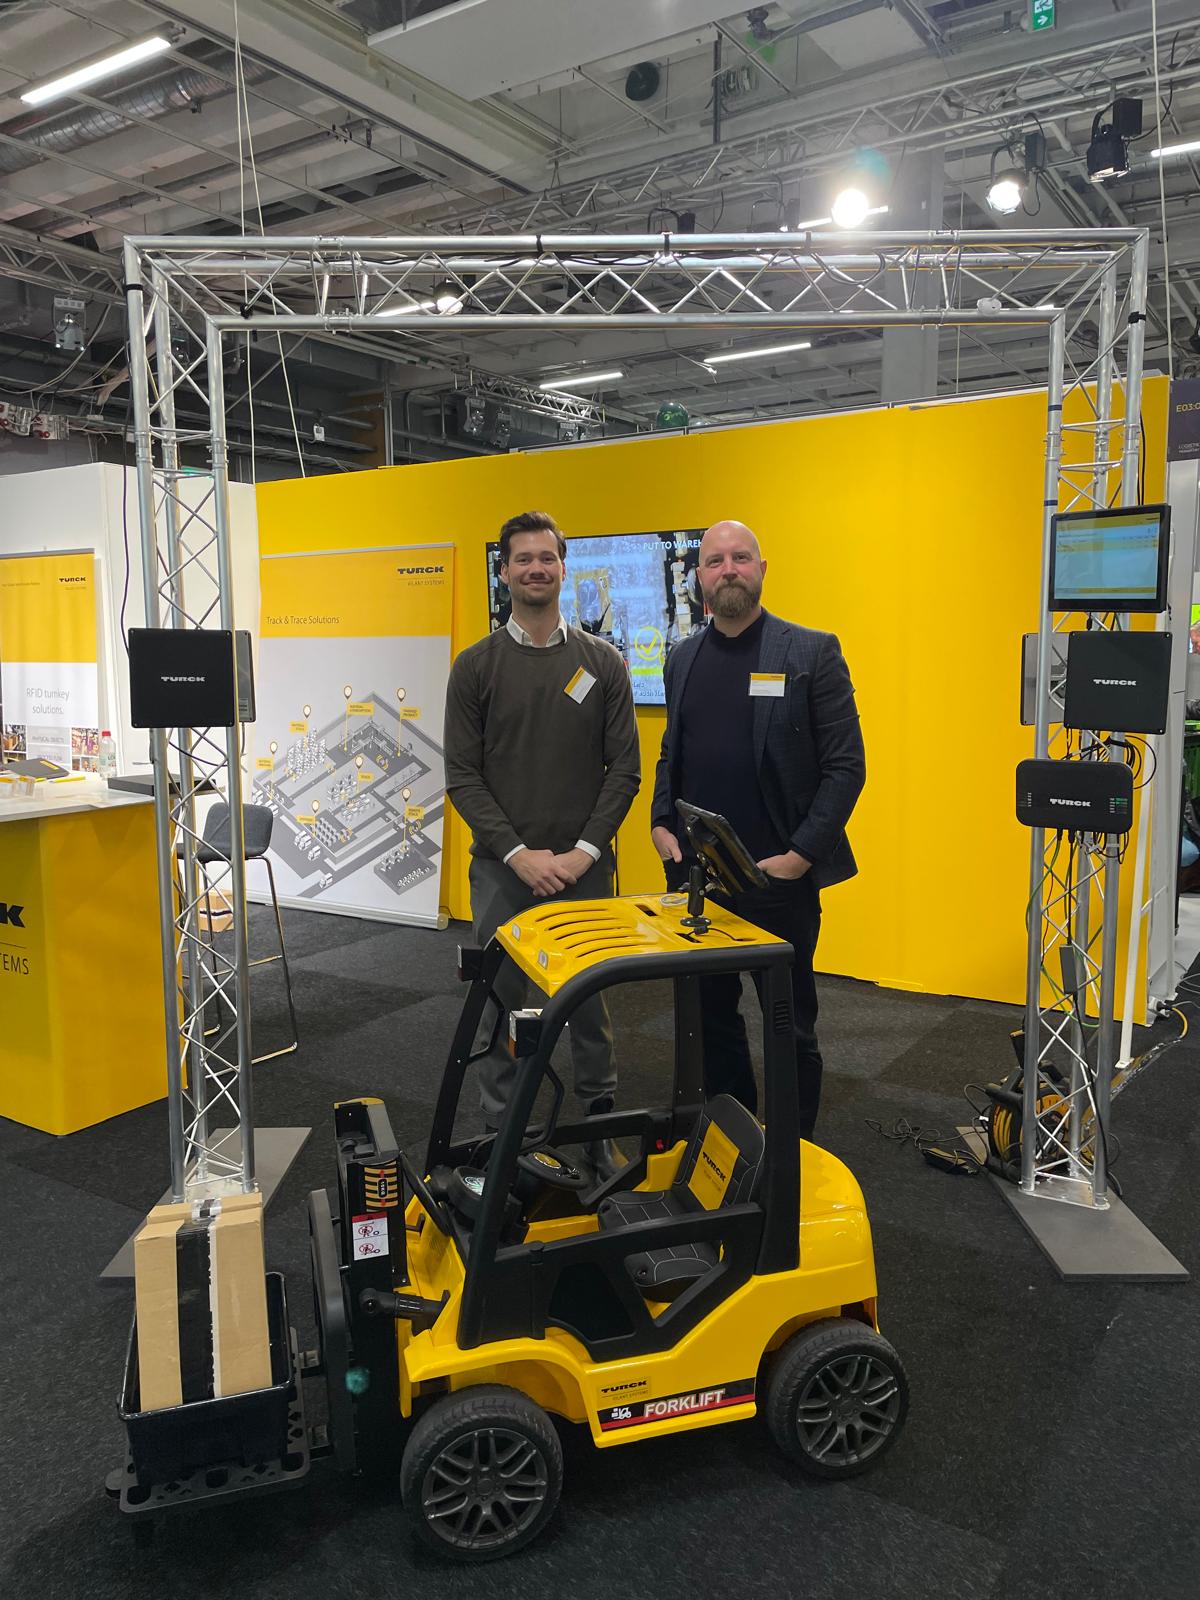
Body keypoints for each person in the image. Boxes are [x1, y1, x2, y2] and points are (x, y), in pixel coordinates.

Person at [650, 520, 865, 1139]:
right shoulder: (681, 658)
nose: (729, 570)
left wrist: (800, 856)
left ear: (762, 569)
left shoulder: (811, 652)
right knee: (712, 1018)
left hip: (778, 881)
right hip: (700, 879)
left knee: (788, 1025)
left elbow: (847, 767)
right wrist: (661, 820)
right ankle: (736, 1140)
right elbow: (671, 753)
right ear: (699, 577)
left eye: (740, 558)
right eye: (715, 561)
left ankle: (793, 1154)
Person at [444, 510, 641, 1166]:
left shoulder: (602, 662)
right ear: (504, 572)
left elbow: (625, 771)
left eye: (547, 558)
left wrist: (583, 854)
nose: (536, 568)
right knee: (499, 1004)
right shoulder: (475, 667)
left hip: (585, 871)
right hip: (503, 871)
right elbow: (462, 775)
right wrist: (518, 855)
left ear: (563, 568)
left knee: (589, 1006)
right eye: (523, 559)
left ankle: (598, 1133)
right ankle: (504, 1138)